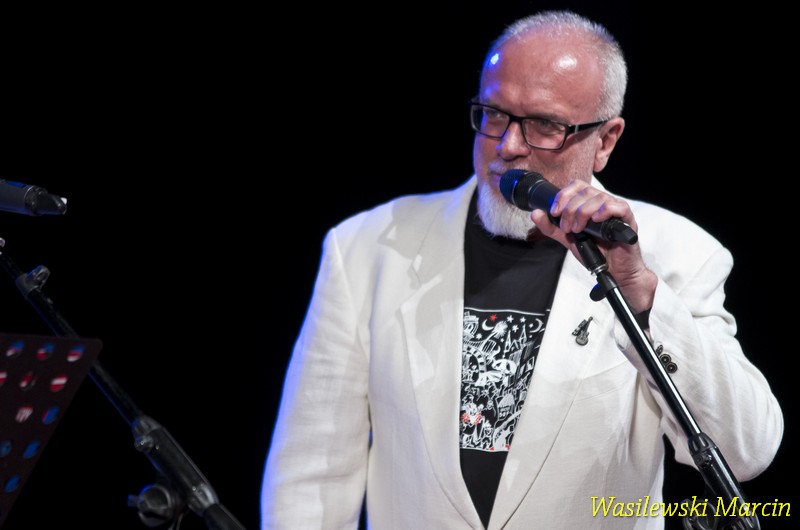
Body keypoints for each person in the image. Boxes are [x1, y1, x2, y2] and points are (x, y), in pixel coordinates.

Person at [261, 10, 783, 529]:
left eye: (544, 125)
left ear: (605, 140)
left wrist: (640, 293)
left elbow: (745, 450)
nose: (508, 147)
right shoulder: (366, 248)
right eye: (494, 115)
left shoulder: (677, 253)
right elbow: (311, 479)